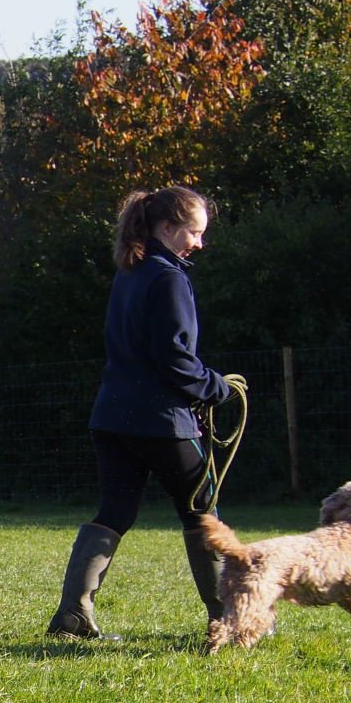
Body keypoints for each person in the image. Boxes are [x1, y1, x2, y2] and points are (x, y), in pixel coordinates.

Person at [47, 185, 238, 639]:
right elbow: (174, 358)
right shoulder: (169, 277)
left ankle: (73, 613)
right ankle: (229, 618)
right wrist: (216, 387)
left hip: (112, 417)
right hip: (162, 421)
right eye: (194, 233)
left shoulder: (130, 272)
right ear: (168, 228)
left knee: (114, 510)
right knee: (202, 512)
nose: (199, 243)